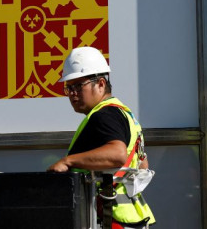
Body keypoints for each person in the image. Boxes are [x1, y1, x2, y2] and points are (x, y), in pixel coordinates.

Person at [47, 47, 156, 228]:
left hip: (110, 218)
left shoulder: (104, 115)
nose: (72, 93)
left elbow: (117, 154)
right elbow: (142, 165)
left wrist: (68, 162)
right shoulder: (122, 113)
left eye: (78, 86)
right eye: (69, 88)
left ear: (101, 84)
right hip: (130, 217)